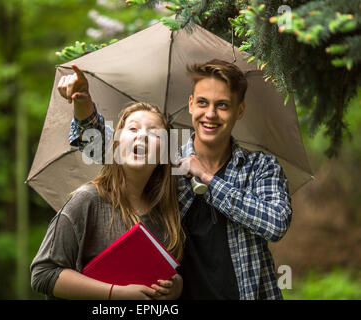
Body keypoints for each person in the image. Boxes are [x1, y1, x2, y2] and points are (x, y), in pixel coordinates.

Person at [65, 60, 293, 300]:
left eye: (223, 105)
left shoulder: (260, 167)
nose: (211, 114)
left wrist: (207, 178)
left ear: (240, 110)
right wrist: (82, 101)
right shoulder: (165, 165)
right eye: (203, 102)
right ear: (191, 104)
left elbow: (276, 224)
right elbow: (104, 144)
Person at [30, 98, 185, 300]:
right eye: (133, 129)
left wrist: (176, 285)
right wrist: (115, 293)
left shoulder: (166, 214)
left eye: (155, 133)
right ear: (118, 142)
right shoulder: (86, 201)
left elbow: (171, 273)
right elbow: (43, 274)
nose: (143, 136)